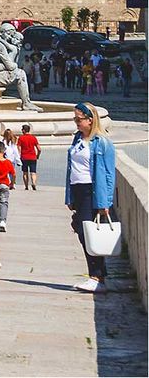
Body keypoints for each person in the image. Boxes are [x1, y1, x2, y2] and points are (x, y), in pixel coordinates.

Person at [65, 102, 117, 293]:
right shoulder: (77, 139)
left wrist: (105, 202)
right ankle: (97, 274)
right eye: (74, 119)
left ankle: (97, 276)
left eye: (79, 119)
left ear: (90, 119)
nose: (76, 123)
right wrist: (69, 196)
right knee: (81, 230)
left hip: (91, 191)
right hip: (78, 190)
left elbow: (109, 174)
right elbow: (72, 169)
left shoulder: (102, 143)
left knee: (88, 233)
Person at [17, 124, 41, 191]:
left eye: (22, 129)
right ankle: (33, 183)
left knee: (25, 172)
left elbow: (18, 147)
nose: (21, 131)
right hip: (33, 157)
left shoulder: (21, 138)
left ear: (24, 130)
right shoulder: (33, 138)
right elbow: (39, 149)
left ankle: (26, 186)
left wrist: (19, 155)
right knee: (33, 172)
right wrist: (37, 155)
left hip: (24, 157)